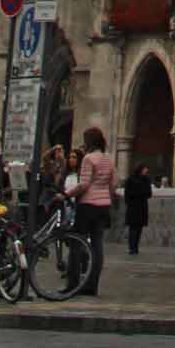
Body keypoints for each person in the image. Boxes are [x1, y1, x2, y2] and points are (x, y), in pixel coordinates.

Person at [73, 126, 117, 296]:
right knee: (97, 245)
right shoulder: (108, 159)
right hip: (103, 206)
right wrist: (108, 197)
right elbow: (114, 184)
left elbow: (83, 184)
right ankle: (93, 284)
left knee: (78, 243)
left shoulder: (88, 158)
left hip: (88, 205)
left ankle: (74, 282)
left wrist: (67, 194)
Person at [122, 161, 153, 255]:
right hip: (133, 206)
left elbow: (149, 193)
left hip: (142, 206)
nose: (146, 170)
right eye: (144, 168)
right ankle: (132, 248)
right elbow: (127, 194)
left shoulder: (146, 180)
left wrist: (140, 193)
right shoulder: (130, 179)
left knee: (139, 228)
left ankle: (135, 247)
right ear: (140, 169)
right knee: (133, 228)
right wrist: (139, 194)